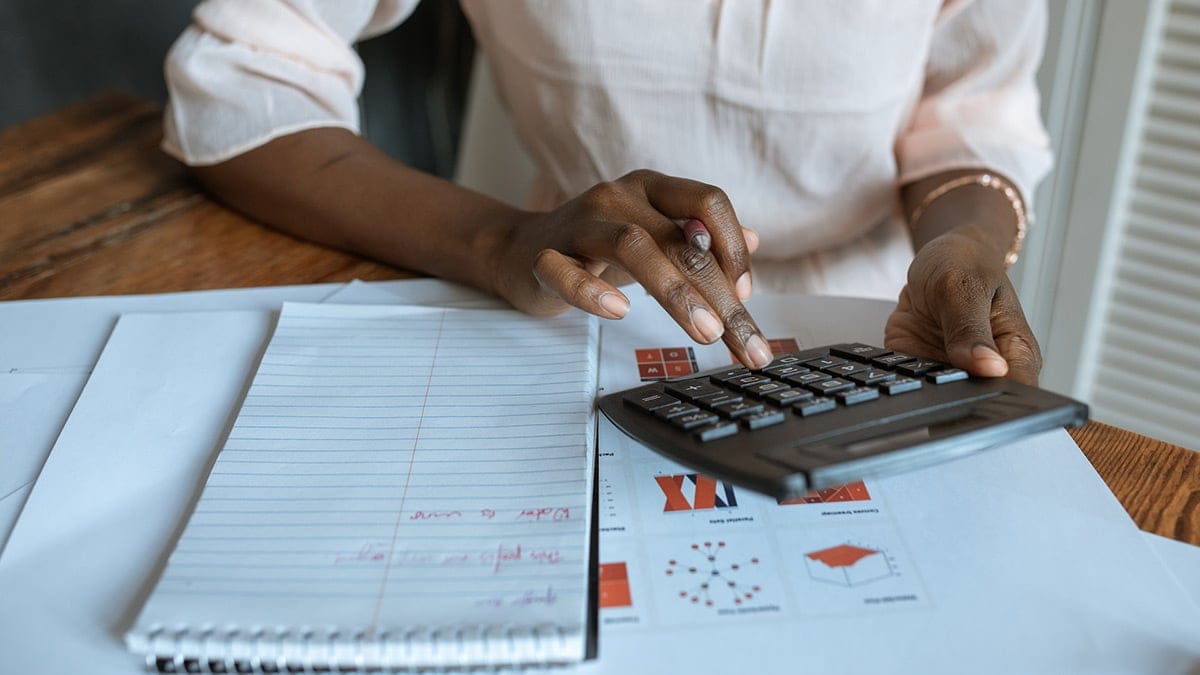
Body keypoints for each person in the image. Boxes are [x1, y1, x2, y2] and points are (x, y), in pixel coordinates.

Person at [163, 0, 1049, 383]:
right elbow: (241, 77)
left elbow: (974, 110)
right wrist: (497, 241)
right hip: (576, 312)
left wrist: (965, 245)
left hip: (889, 331)